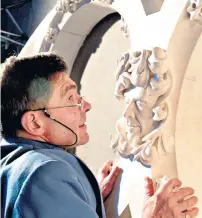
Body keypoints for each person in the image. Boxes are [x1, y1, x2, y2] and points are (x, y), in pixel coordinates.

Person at [0, 53, 199, 218]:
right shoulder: (43, 174)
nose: (85, 106)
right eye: (70, 98)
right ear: (35, 123)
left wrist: (85, 199)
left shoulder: (14, 166)